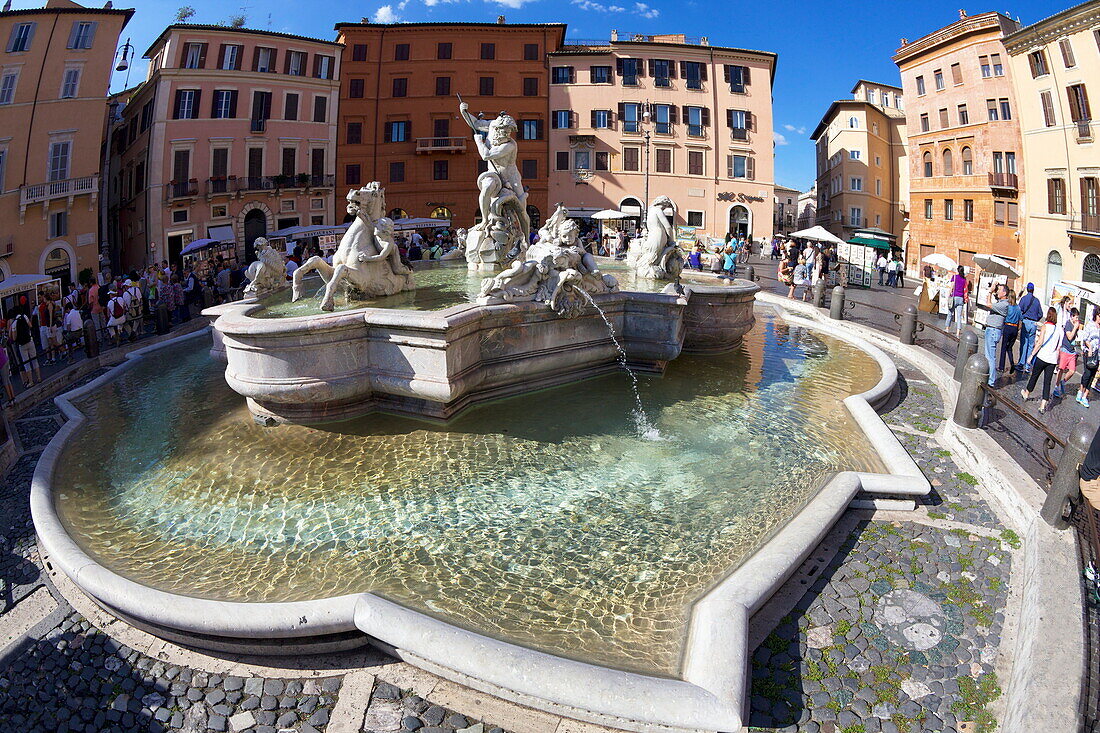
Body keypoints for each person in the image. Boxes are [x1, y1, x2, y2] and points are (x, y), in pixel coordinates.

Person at [1021, 307, 1062, 414]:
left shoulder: (1045, 326)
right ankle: (1043, 405)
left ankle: (1027, 393)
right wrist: (1057, 360)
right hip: (1052, 360)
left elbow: (1039, 343)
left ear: (1048, 315)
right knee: (1047, 382)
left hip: (1042, 356)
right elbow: (1059, 347)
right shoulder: (1058, 330)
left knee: (1034, 376)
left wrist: (1031, 355)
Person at [1054, 307, 1082, 399]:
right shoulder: (1068, 324)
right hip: (1065, 349)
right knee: (1061, 369)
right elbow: (1069, 337)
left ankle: (1063, 382)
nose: (1077, 319)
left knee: (1072, 370)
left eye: (1078, 318)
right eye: (1076, 317)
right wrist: (1075, 328)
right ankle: (1056, 387)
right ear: (1072, 316)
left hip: (1072, 351)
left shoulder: (1075, 325)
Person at [984, 284, 1008, 388]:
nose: (997, 291)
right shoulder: (1000, 303)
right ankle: (989, 378)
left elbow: (988, 304)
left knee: (990, 357)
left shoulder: (1004, 304)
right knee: (988, 355)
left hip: (993, 331)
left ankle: (991, 381)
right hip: (991, 330)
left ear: (1005, 293)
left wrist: (990, 291)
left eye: (999, 290)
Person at [9, 306, 39, 387]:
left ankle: (31, 381)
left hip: (22, 345)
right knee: (34, 359)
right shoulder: (25, 316)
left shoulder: (14, 323)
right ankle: (39, 378)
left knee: (26, 363)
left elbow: (14, 338)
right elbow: (31, 325)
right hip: (30, 340)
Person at [1016, 283, 1042, 373]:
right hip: (1034, 324)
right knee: (1031, 345)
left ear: (1027, 289)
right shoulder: (1037, 301)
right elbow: (1041, 314)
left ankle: (1021, 363)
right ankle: (1027, 365)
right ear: (1033, 290)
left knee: (1024, 343)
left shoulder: (1024, 299)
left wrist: (1022, 318)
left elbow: (1019, 310)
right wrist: (1035, 319)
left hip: (1026, 322)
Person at [1078, 309, 1100, 408]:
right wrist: (1090, 347)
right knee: (1087, 373)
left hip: (1097, 354)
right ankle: (1080, 391)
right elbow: (1085, 338)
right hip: (1089, 352)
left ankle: (1085, 396)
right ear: (1097, 315)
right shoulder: (1090, 325)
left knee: (1092, 375)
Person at [998, 290, 1021, 376]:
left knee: (1004, 347)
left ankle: (1001, 366)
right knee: (1009, 348)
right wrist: (1017, 329)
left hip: (1007, 327)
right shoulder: (1018, 308)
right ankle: (1012, 363)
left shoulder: (1008, 307)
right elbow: (1020, 320)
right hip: (1014, 328)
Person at [945, 266, 968, 336]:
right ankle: (958, 332)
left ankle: (947, 328)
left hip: (954, 297)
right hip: (961, 299)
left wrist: (948, 295)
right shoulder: (964, 279)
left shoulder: (954, 277)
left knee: (950, 313)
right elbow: (965, 289)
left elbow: (952, 287)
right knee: (959, 316)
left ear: (958, 270)